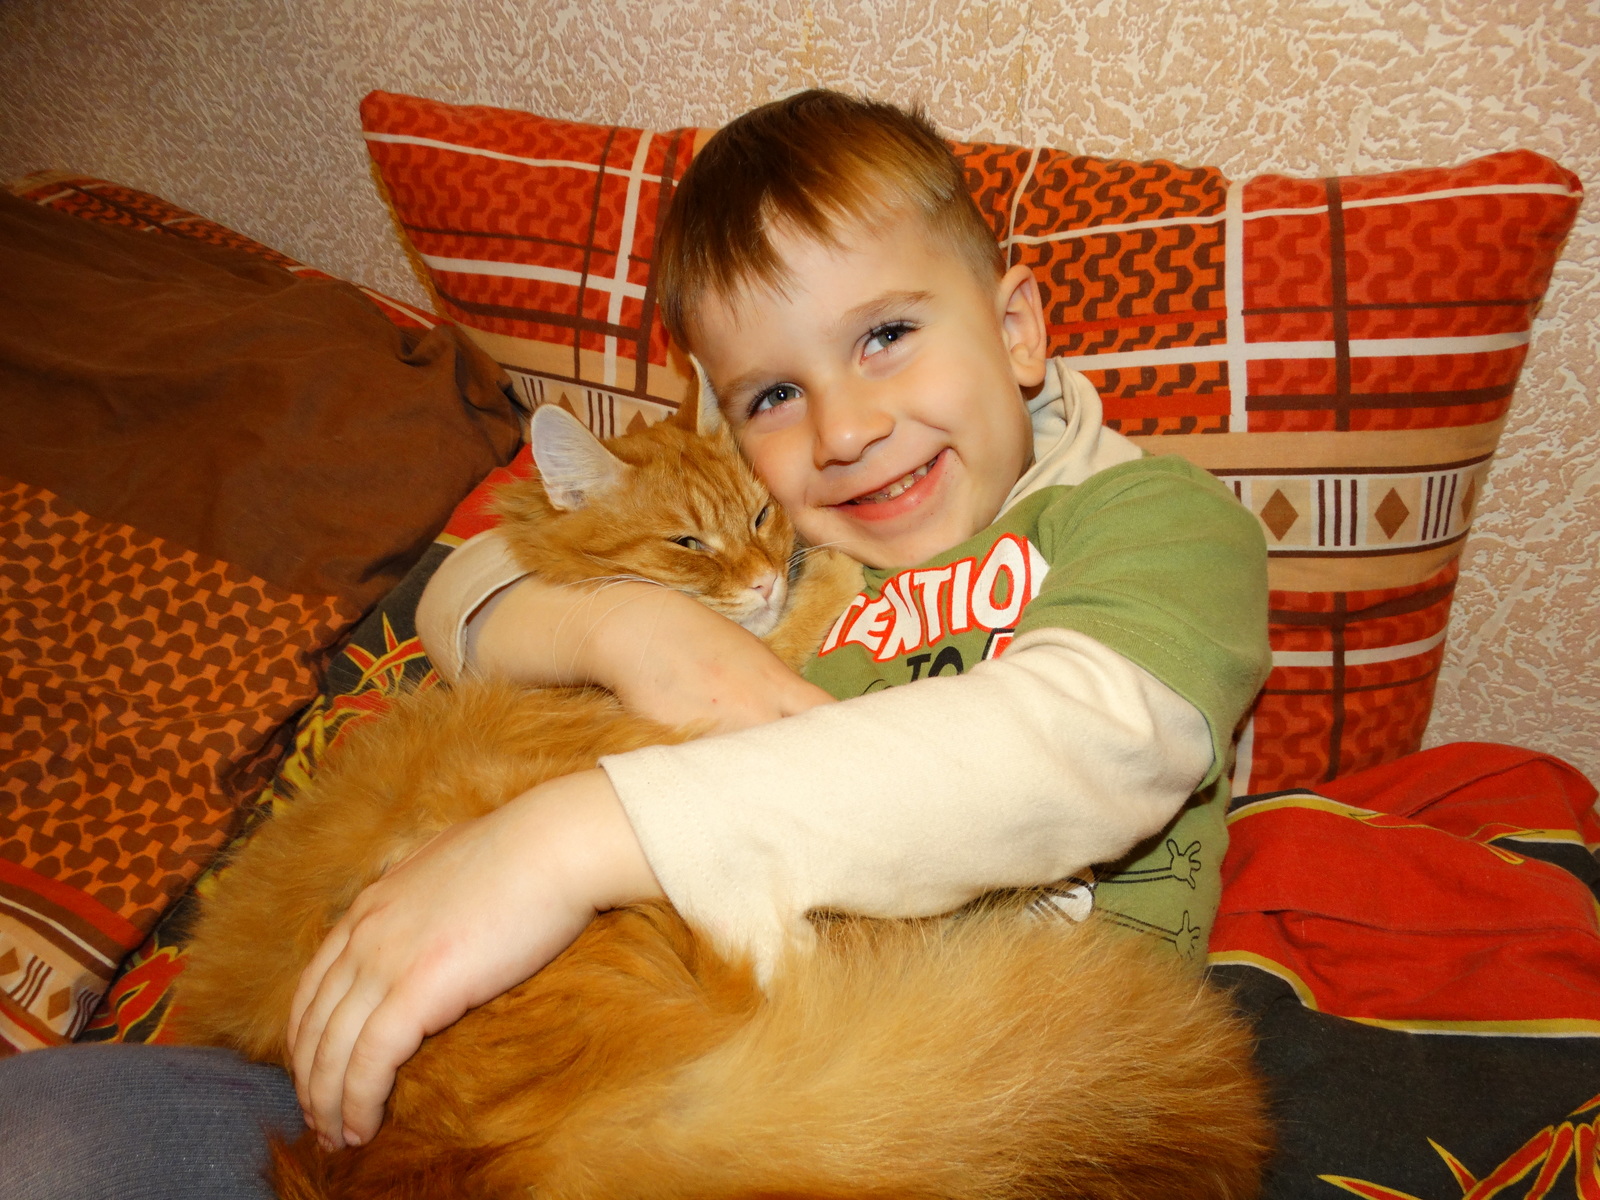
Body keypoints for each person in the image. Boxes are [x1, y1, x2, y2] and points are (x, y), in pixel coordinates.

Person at [0, 89, 1268, 1196]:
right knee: (49, 1133)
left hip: (867, 1077)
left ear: (1017, 329)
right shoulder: (791, 546)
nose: (841, 427)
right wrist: (631, 626)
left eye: (885, 334)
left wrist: (564, 842)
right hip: (518, 1075)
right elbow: (475, 579)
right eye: (773, 394)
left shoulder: (1152, 519)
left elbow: (1090, 740)